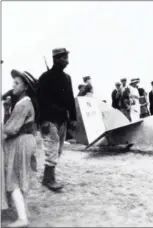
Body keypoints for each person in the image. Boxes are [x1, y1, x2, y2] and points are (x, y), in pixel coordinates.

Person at [2, 69, 39, 227]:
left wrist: (6, 116)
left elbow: (10, 129)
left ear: (25, 87)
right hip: (27, 141)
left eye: (17, 83)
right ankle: (25, 211)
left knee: (14, 179)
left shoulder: (23, 104)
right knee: (23, 175)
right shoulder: (26, 103)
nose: (13, 85)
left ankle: (22, 218)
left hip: (20, 142)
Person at [37, 48, 76, 191]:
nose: (67, 61)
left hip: (62, 120)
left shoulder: (67, 78)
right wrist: (43, 121)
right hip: (49, 120)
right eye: (64, 58)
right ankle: (49, 179)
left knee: (58, 150)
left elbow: (70, 99)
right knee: (51, 149)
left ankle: (48, 177)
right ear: (57, 59)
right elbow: (39, 101)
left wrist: (73, 118)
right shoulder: (45, 77)